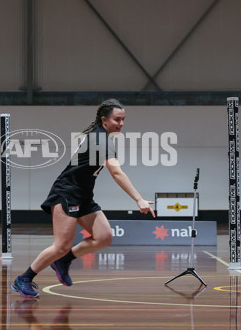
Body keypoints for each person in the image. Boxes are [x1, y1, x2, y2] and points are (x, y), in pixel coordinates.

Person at [12, 99, 155, 298]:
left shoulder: (101, 136)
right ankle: (24, 278)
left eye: (123, 119)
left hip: (84, 195)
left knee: (104, 237)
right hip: (67, 194)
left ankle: (63, 261)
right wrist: (138, 199)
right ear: (104, 120)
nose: (121, 123)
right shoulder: (100, 139)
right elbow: (116, 172)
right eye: (117, 119)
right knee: (61, 245)